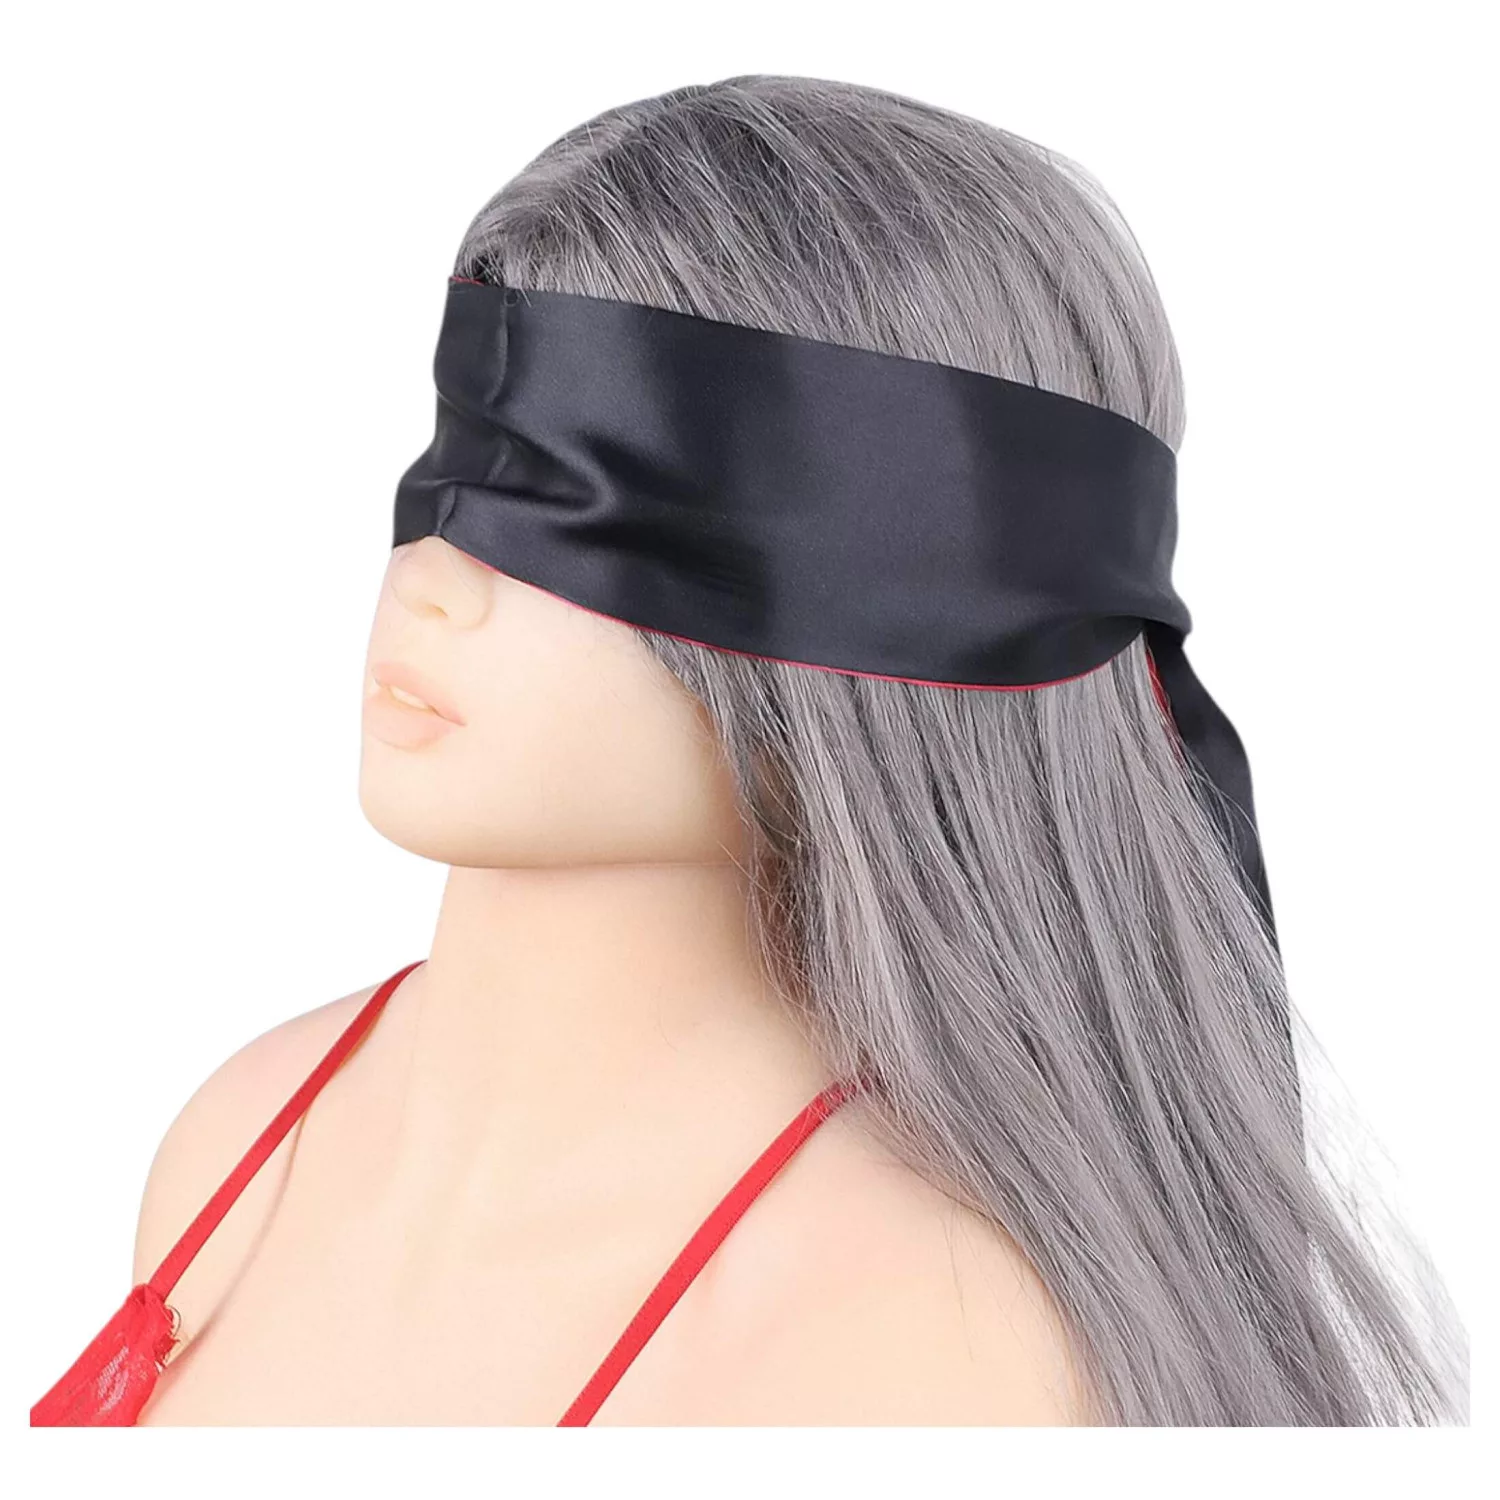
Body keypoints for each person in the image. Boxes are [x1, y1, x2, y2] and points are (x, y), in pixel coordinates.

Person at [34, 73, 1467, 1426]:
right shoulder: (246, 1138)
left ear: (910, 619)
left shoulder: (919, 1344)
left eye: (595, 506)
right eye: (463, 449)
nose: (439, 573)